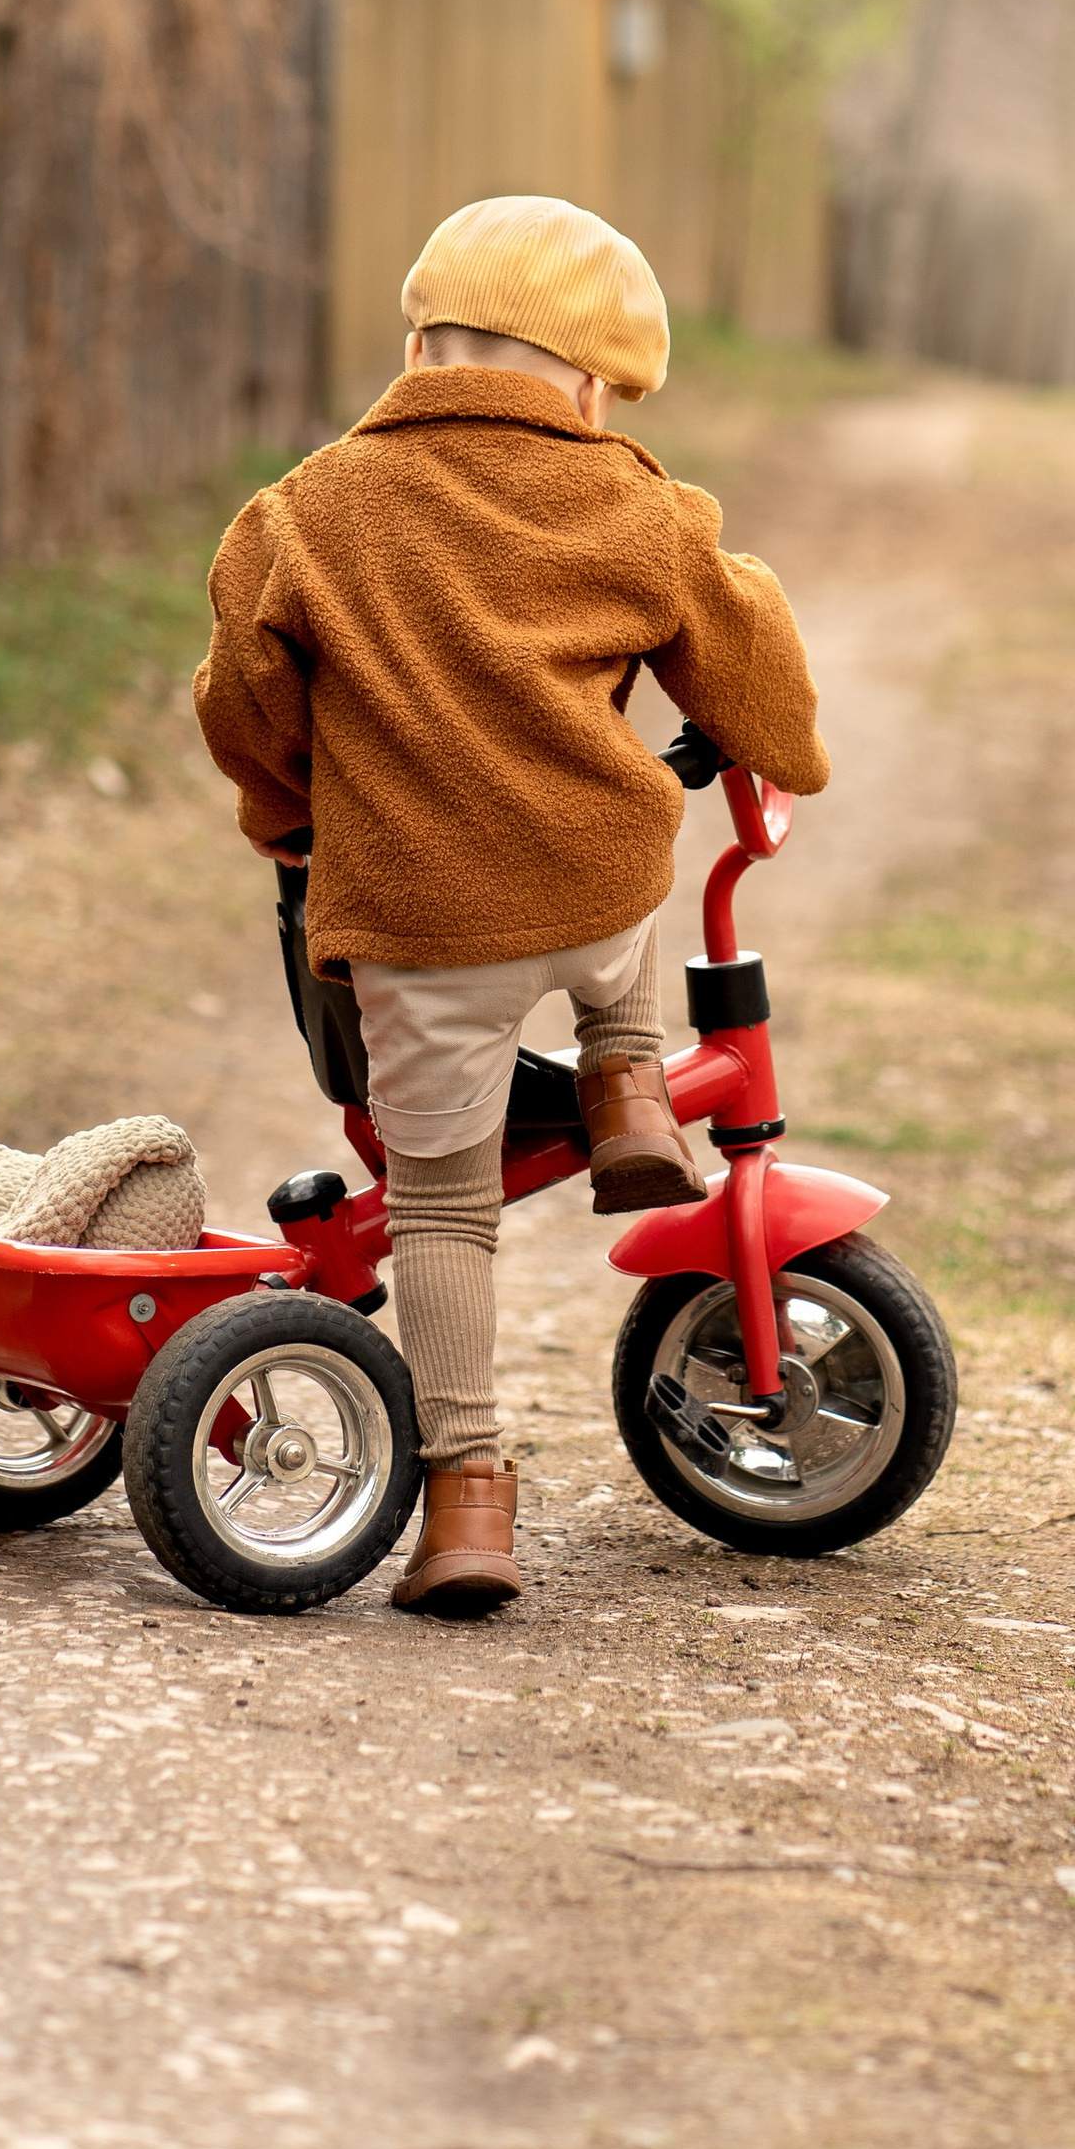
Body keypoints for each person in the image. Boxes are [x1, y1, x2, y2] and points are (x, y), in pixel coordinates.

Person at [192, 192, 829, 1617]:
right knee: (623, 865)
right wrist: (776, 709)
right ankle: (626, 1081)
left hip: (421, 924)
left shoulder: (303, 512)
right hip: (594, 891)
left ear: (419, 343)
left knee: (441, 1210)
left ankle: (468, 1498)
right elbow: (761, 687)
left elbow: (246, 704)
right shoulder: (635, 503)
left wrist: (294, 811)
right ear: (595, 387)